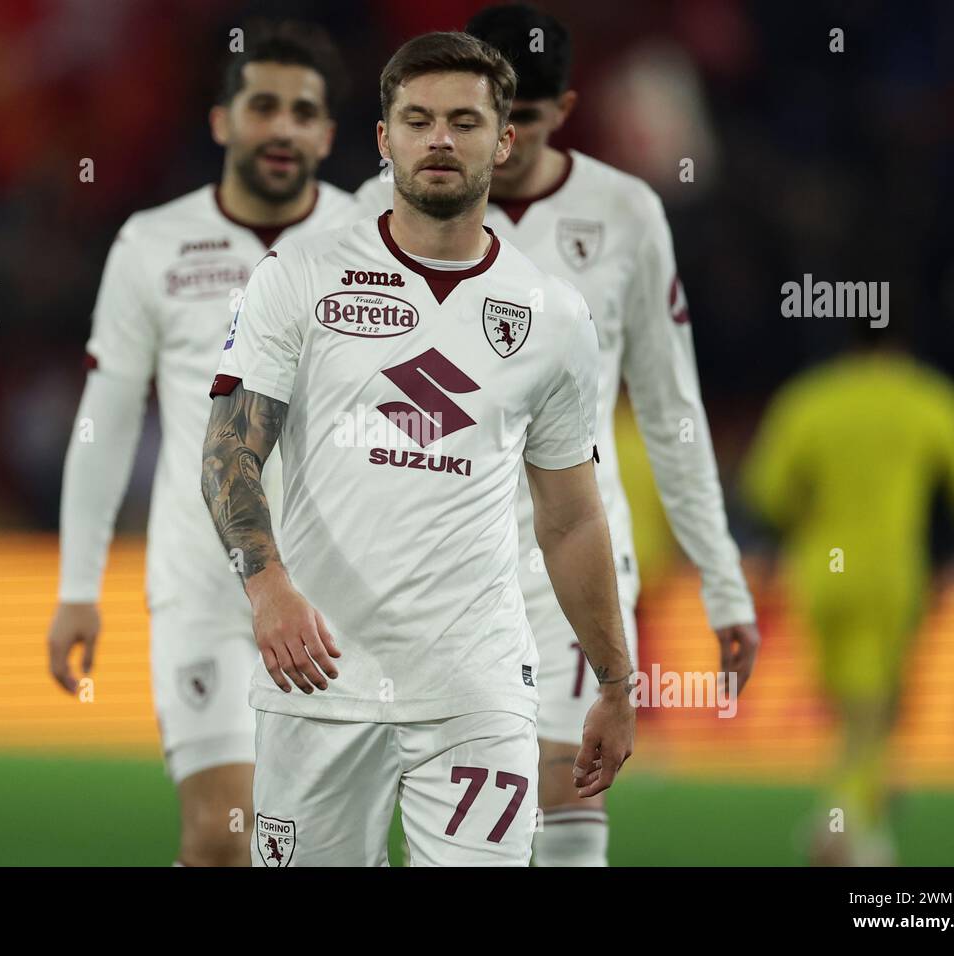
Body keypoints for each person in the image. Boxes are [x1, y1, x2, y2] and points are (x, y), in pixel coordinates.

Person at [202, 30, 634, 867]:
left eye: (466, 122)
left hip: (475, 688)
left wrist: (615, 681)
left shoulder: (552, 315)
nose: (441, 139)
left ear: (505, 141)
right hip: (317, 681)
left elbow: (573, 520)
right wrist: (267, 584)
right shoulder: (298, 276)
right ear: (383, 138)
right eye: (419, 119)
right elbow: (229, 453)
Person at [356, 4, 759, 866]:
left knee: (573, 799)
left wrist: (721, 579)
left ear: (563, 109)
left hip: (566, 548)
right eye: (490, 115)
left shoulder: (625, 214)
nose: (508, 139)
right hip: (425, 552)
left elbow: (671, 406)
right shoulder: (376, 209)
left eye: (527, 118)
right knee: (426, 810)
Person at [46, 20, 359, 867]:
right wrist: (79, 584)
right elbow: (104, 418)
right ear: (222, 121)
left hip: (343, 593)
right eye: (263, 105)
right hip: (204, 585)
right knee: (225, 836)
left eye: (304, 112)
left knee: (311, 847)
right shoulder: (151, 244)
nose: (283, 128)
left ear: (329, 134)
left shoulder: (372, 237)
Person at [743, 327, 954, 865]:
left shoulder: (810, 397)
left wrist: (805, 522)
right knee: (876, 711)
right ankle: (851, 827)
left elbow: (766, 487)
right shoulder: (926, 395)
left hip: (821, 575)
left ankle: (848, 819)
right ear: (901, 342)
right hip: (891, 574)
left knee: (853, 710)